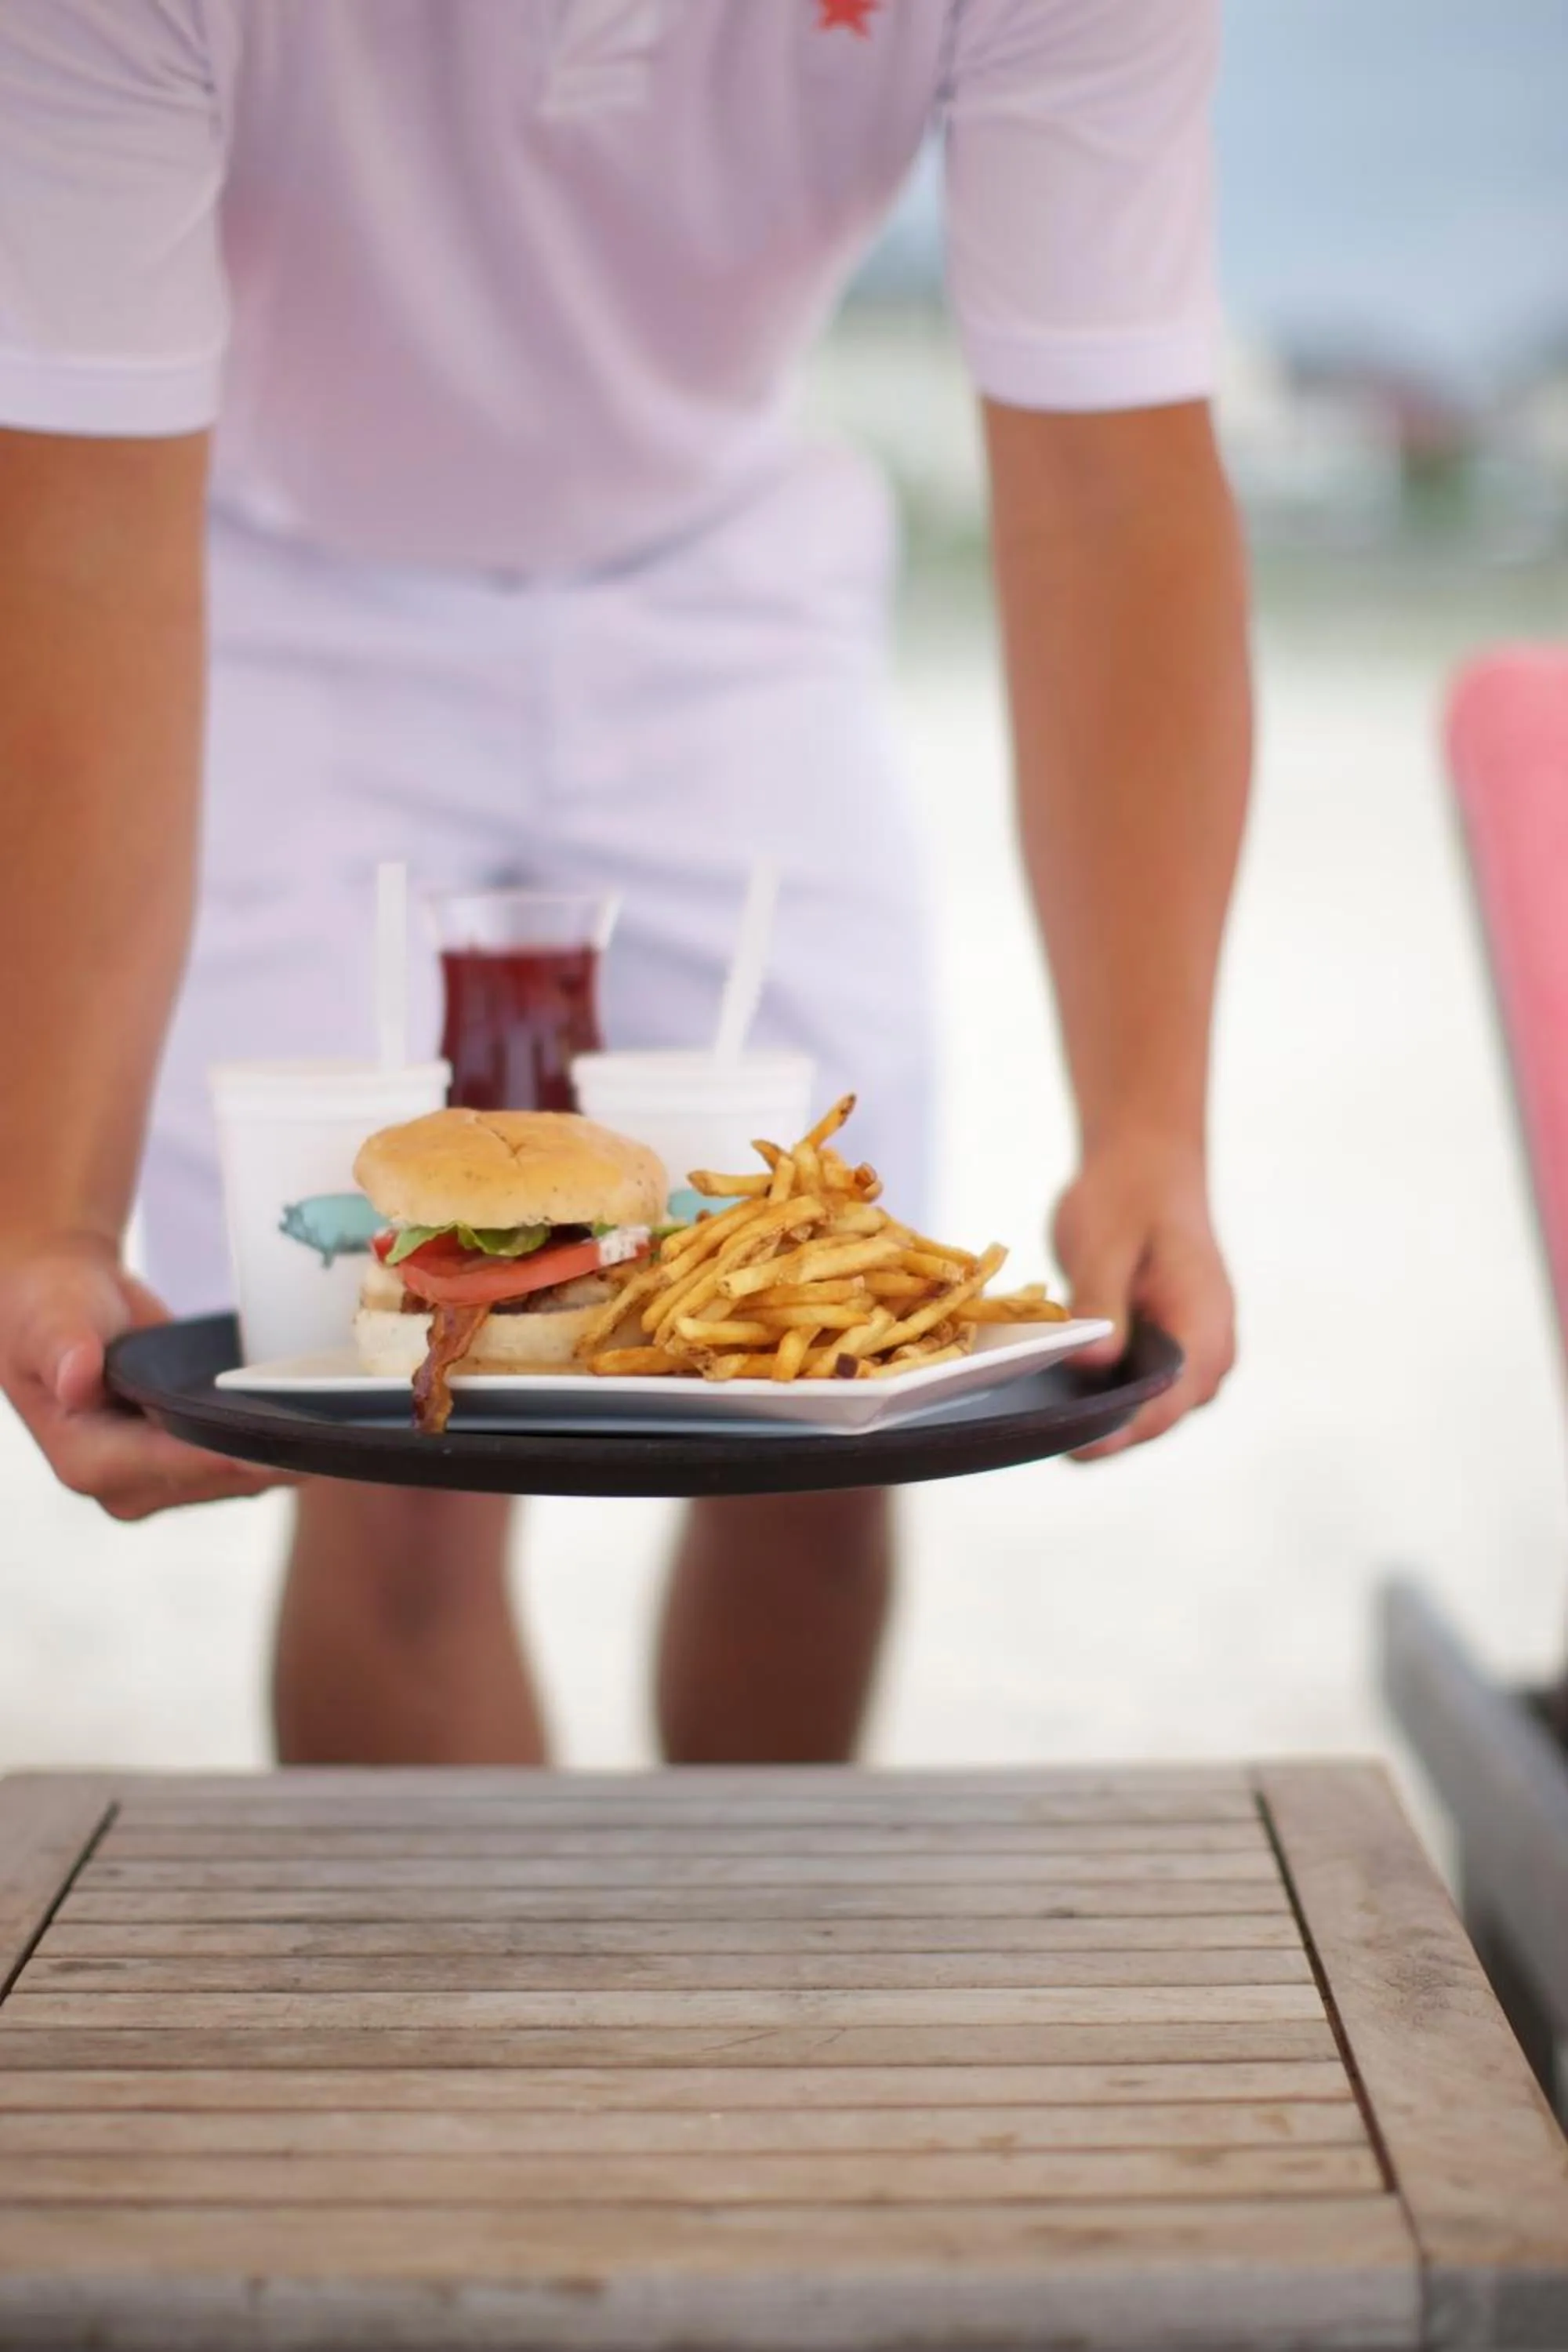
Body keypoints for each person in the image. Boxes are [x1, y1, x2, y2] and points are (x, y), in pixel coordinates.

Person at [0, 0, 1248, 1769]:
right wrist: (48, 1208)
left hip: (721, 581)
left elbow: (1111, 491)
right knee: (392, 1444)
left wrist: (1148, 1128)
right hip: (277, 585)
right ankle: (476, 2045)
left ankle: (745, 2018)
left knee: (823, 1413)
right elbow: (81, 534)